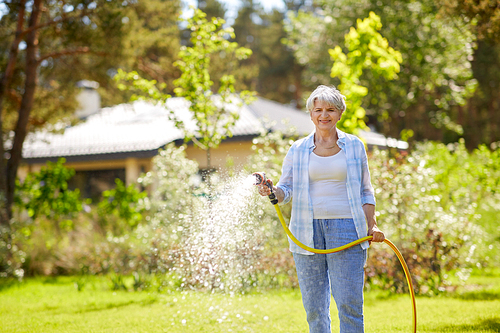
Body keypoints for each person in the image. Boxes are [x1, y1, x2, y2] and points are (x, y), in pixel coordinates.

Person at [257, 85, 385, 333]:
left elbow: (366, 191)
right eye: (318, 110)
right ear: (311, 114)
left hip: (348, 229)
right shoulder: (298, 149)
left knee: (349, 306)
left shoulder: (355, 146)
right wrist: (273, 191)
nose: (324, 115)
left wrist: (373, 225)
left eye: (330, 109)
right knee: (315, 309)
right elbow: (286, 189)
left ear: (339, 113)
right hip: (306, 230)